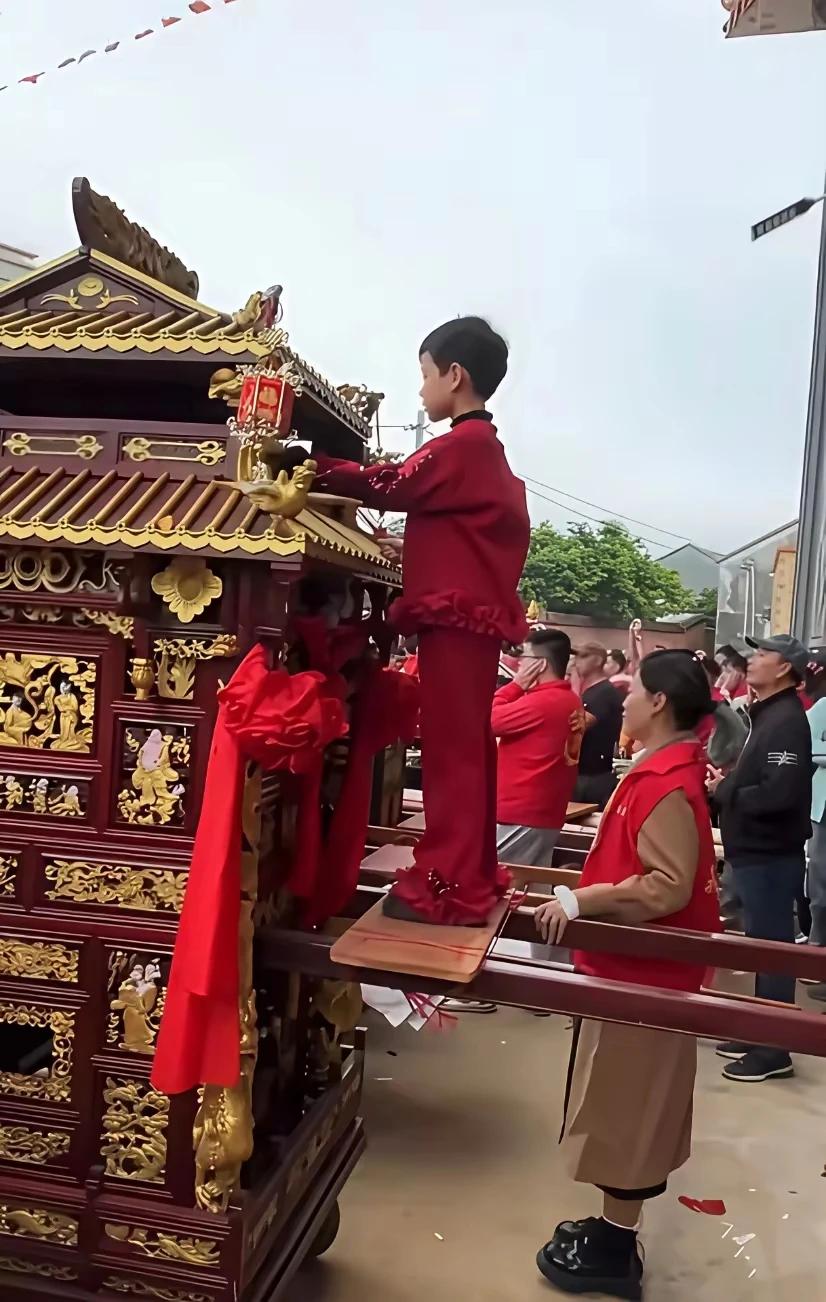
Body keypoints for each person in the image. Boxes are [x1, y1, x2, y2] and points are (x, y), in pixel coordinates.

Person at [310, 316, 531, 925]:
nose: (421, 389)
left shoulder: (463, 446)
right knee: (464, 749)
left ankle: (447, 884)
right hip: (467, 627)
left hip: (457, 628)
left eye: (425, 374)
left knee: (451, 753)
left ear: (454, 375)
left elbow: (393, 483)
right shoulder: (481, 450)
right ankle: (468, 872)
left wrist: (315, 466)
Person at [533, 651, 719, 1300]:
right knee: (618, 1102)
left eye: (635, 689)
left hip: (646, 976)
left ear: (660, 702)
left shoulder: (667, 781)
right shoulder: (660, 768)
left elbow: (667, 885)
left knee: (630, 1109)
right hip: (632, 969)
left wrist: (582, 900)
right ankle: (614, 1227)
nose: (625, 699)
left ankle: (616, 1247)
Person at [708, 633, 812, 1083]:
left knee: (772, 950)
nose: (752, 659)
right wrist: (728, 784)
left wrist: (725, 791)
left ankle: (774, 1048)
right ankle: (759, 1029)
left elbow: (778, 793)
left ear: (785, 668)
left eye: (764, 653)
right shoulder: (766, 714)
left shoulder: (786, 720)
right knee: (760, 946)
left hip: (770, 854)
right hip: (754, 850)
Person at [493, 628, 584, 867]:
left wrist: (515, 685)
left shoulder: (543, 701)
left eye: (525, 657)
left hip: (521, 812)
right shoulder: (570, 699)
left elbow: (488, 721)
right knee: (531, 880)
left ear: (540, 664)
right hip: (542, 811)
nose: (520, 663)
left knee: (491, 876)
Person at [571, 642, 623, 809]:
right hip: (582, 774)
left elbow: (576, 727)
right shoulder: (590, 692)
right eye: (576, 656)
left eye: (584, 656)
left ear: (598, 660)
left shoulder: (605, 692)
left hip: (593, 778)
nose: (577, 661)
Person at [804, 650, 826, 1001]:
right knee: (820, 883)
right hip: (822, 810)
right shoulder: (821, 707)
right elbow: (808, 746)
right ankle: (815, 950)